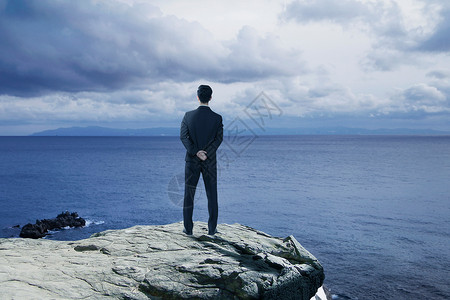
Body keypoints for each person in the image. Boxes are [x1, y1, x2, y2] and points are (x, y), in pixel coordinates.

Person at [180, 85, 223, 235]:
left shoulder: (188, 116)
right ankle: (212, 230)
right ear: (210, 98)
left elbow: (183, 137)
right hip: (209, 161)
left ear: (198, 97)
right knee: (212, 195)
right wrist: (206, 153)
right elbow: (219, 139)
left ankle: (188, 229)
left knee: (188, 195)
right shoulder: (217, 118)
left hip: (192, 161)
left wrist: (195, 152)